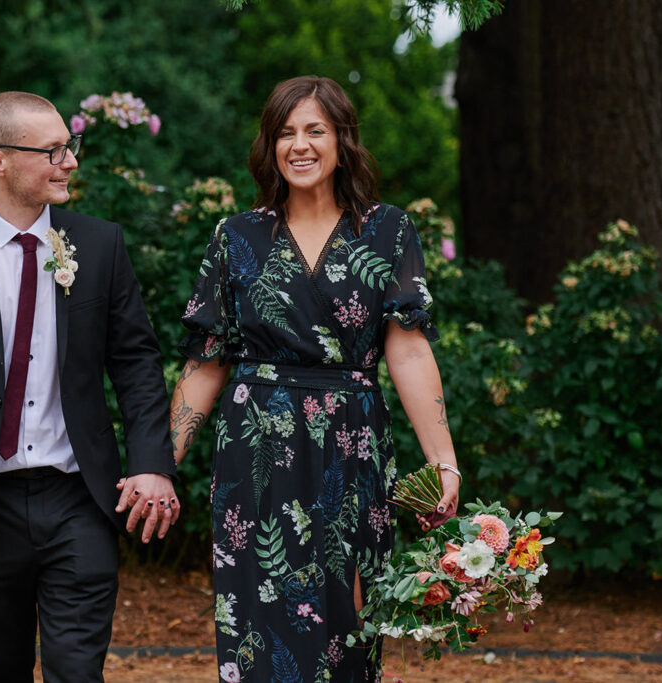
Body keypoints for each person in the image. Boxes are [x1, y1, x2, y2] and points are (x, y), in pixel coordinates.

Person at [170, 76, 461, 681]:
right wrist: (161, 463)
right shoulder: (236, 236)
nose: (298, 146)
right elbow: (207, 361)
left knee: (349, 620)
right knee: (259, 620)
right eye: (285, 133)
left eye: (314, 131)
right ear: (270, 146)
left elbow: (407, 352)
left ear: (341, 141)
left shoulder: (386, 230)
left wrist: (443, 464)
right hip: (256, 448)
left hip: (351, 444)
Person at [0, 91, 179, 683]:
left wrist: (154, 463)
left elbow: (137, 364)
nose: (69, 161)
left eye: (69, 146)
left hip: (80, 496)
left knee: (77, 672)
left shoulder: (100, 245)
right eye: (51, 151)